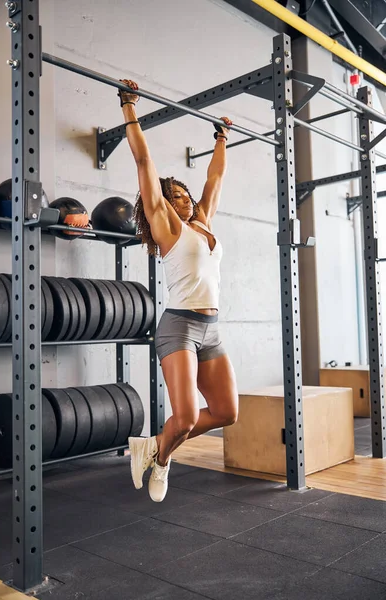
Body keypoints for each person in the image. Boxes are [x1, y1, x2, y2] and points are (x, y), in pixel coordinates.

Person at [118, 79, 238, 502]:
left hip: (213, 327)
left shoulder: (204, 222)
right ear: (163, 205)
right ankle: (162, 458)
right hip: (180, 327)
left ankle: (152, 445)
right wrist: (129, 106)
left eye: (185, 193)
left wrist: (222, 137)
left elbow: (216, 176)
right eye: (174, 195)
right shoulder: (167, 228)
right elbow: (144, 159)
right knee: (184, 417)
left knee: (227, 412)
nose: (183, 197)